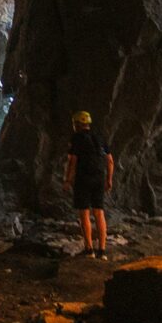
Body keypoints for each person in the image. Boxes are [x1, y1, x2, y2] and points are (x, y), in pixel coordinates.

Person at [62, 111, 114, 260]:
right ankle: (102, 251)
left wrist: (67, 180)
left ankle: (89, 249)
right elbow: (110, 161)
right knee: (99, 212)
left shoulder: (77, 138)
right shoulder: (100, 137)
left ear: (77, 124)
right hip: (99, 177)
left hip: (83, 178)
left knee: (84, 213)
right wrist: (109, 180)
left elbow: (72, 161)